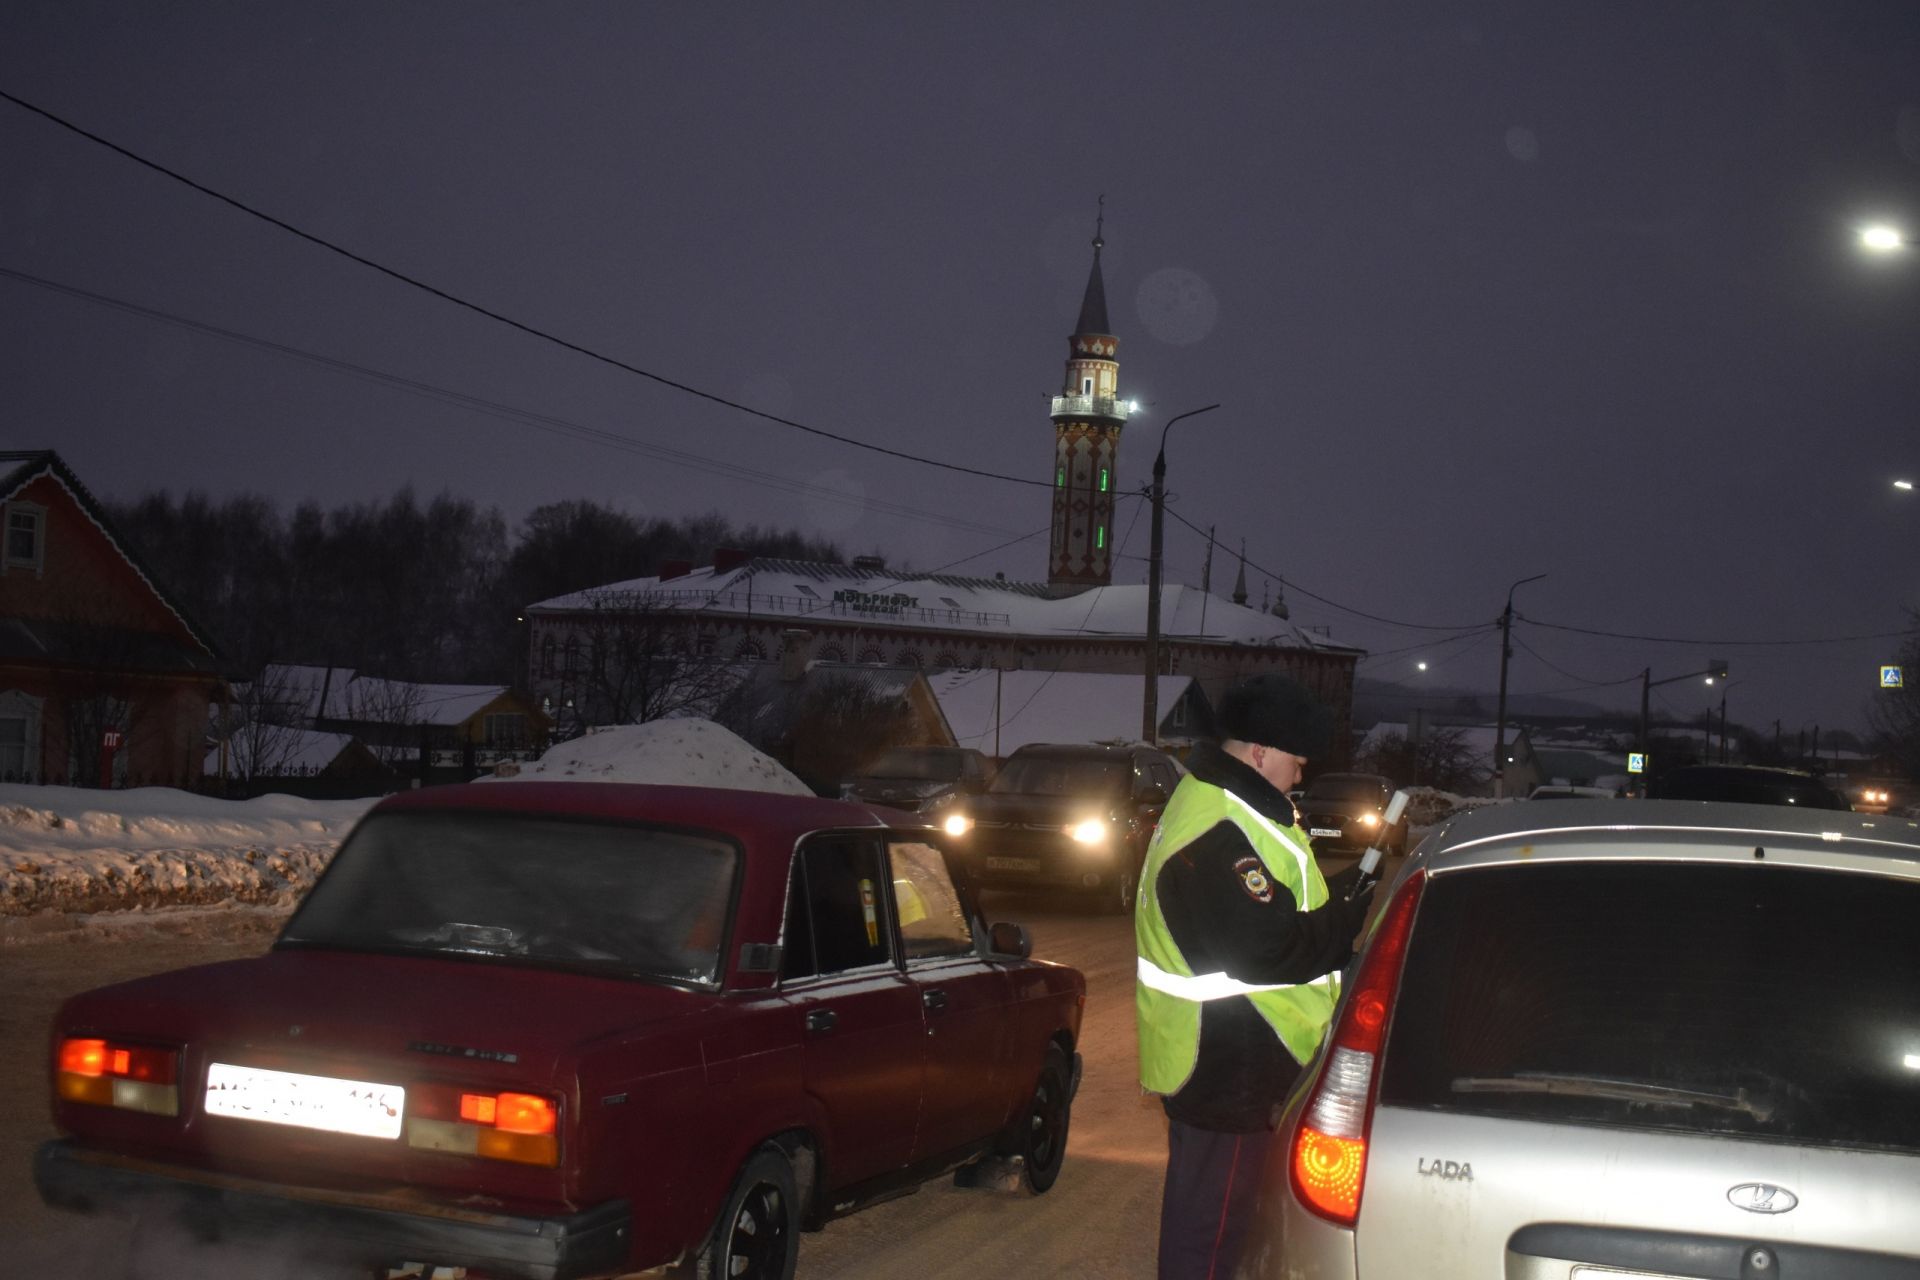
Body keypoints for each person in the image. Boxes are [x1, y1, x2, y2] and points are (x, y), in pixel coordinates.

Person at [1135, 673, 1375, 1280]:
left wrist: (1345, 894)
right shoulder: (1216, 830)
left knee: (1231, 1229)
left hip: (1237, 1060)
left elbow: (1273, 914)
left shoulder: (1233, 807)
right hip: (1226, 1067)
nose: (1301, 774)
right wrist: (1344, 923)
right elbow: (1269, 951)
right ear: (1261, 752)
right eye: (1296, 761)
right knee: (1210, 1238)